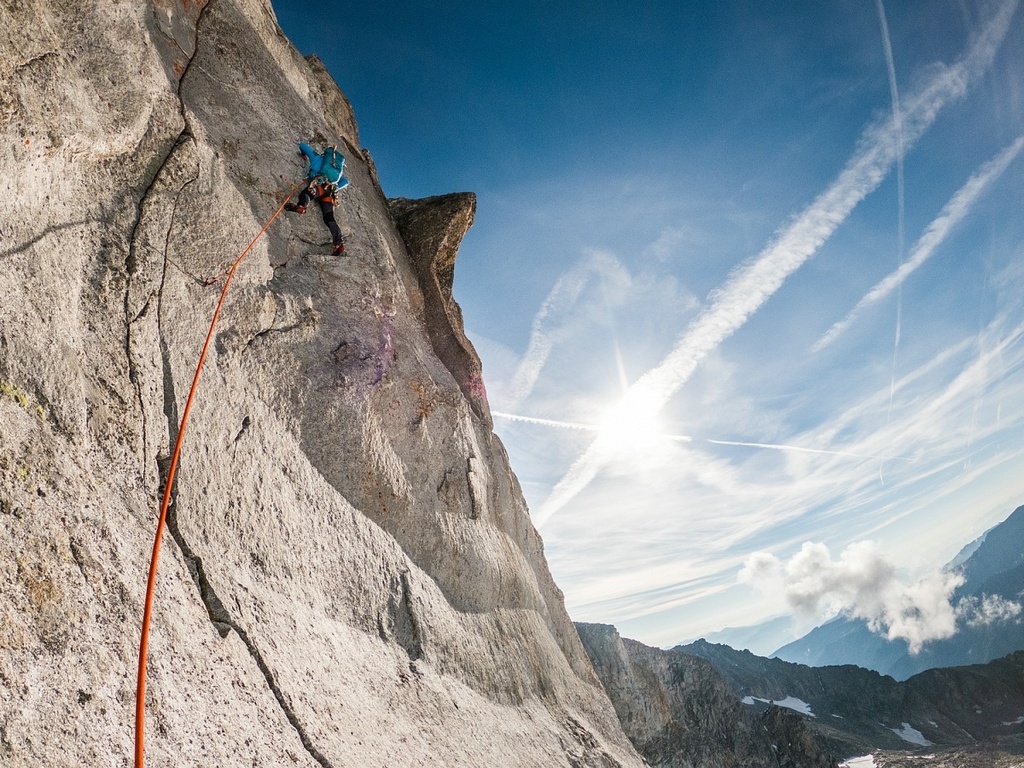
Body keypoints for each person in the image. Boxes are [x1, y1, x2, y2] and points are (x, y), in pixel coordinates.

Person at [286, 142, 349, 254]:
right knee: (329, 218)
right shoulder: (336, 175)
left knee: (307, 194)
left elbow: (303, 146)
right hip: (330, 193)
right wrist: (335, 187)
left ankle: (302, 206)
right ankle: (338, 242)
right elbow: (345, 182)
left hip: (318, 187)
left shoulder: (317, 159)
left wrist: (304, 155)